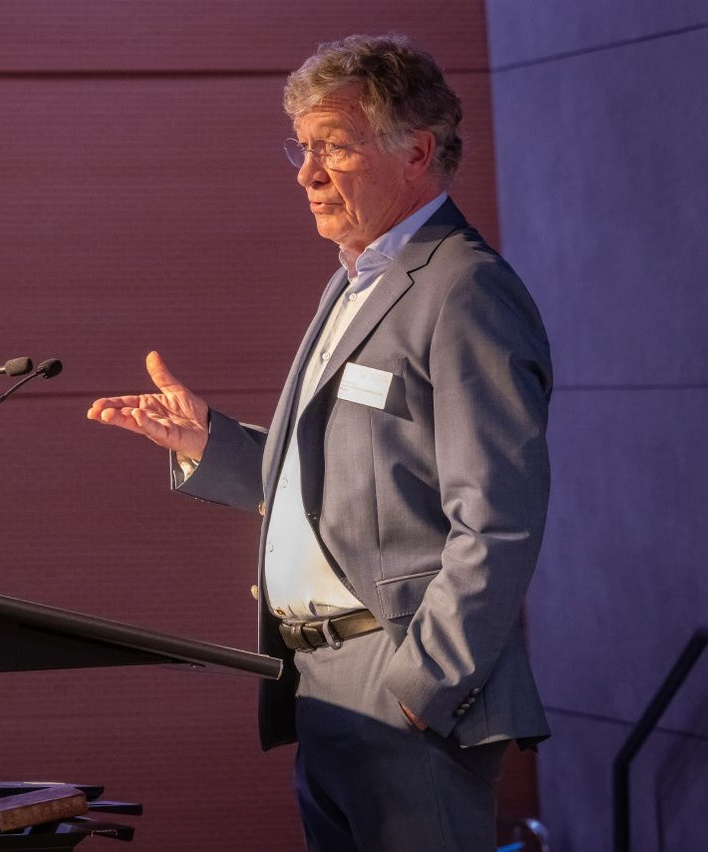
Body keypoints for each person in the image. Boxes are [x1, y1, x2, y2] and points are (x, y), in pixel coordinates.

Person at [87, 34, 552, 851]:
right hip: (317, 684)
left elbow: (498, 518)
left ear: (416, 152)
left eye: (332, 147)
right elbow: (339, 486)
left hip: (399, 679)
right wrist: (208, 444)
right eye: (300, 148)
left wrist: (423, 684)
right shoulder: (350, 281)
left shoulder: (462, 288)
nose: (306, 174)